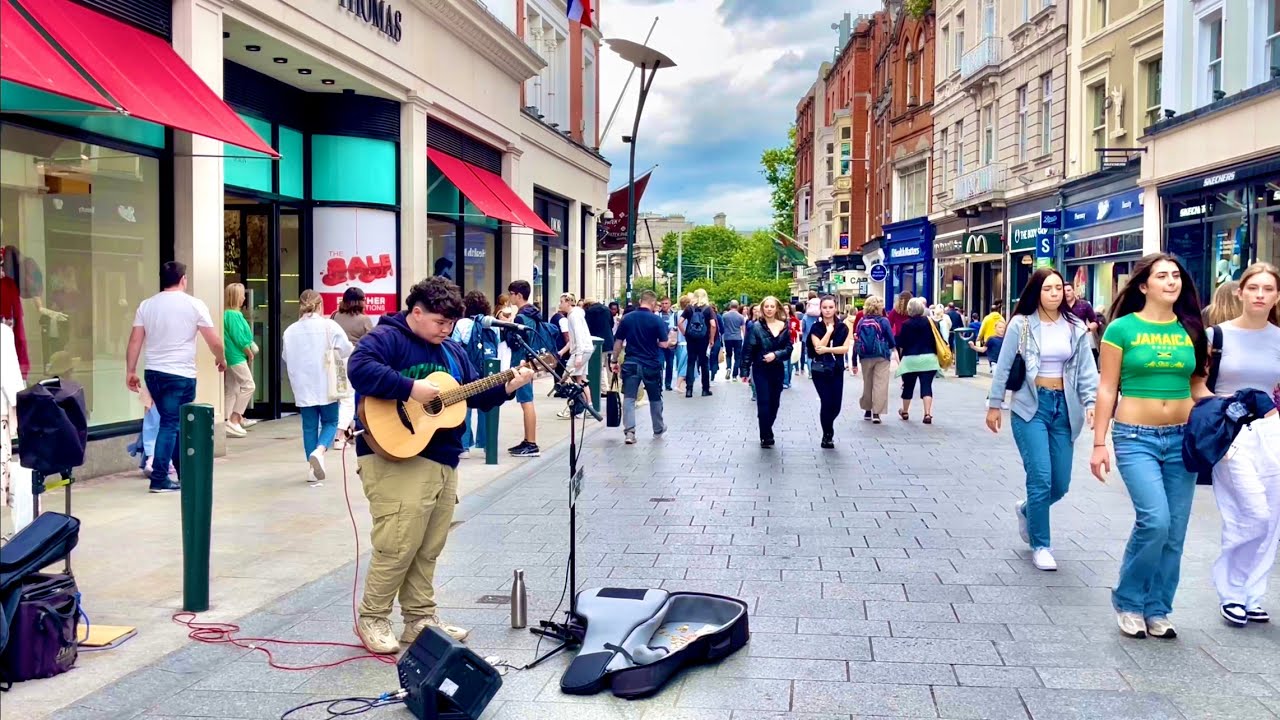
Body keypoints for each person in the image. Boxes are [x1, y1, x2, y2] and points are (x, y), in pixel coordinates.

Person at [347, 277, 535, 654]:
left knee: (428, 544)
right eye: (439, 322)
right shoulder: (388, 337)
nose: (445, 329)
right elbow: (359, 368)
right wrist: (409, 388)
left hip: (443, 456)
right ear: (415, 312)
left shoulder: (451, 350)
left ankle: (419, 618)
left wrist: (509, 386)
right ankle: (373, 616)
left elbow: (472, 395)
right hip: (395, 456)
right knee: (398, 542)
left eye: (450, 323)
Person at [1090, 253, 1209, 640]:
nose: (1171, 282)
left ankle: (1158, 608)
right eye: (1162, 276)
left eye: (1176, 276)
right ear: (1144, 285)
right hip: (1135, 436)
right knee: (1155, 520)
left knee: (1175, 530)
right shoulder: (1121, 329)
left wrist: (1225, 411)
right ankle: (1128, 600)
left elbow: (1197, 386)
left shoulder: (1191, 329)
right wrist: (1098, 443)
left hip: (1182, 439)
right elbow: (1107, 387)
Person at [987, 268, 1099, 572]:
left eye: (1058, 289)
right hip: (1029, 406)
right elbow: (1004, 365)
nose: (1055, 293)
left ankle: (1026, 510)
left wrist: (1091, 402)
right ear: (1036, 291)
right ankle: (1041, 545)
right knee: (1040, 477)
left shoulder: (1075, 326)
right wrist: (994, 404)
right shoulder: (1021, 326)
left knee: (1060, 484)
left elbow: (1086, 369)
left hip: (1065, 407)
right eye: (1048, 288)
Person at [1204, 263, 1280, 626]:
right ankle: (1231, 590)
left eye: (1268, 289)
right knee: (1252, 513)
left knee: (1272, 519)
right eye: (1254, 288)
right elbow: (1196, 386)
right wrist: (1226, 408)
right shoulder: (1214, 336)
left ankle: (1252, 595)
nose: (1260, 295)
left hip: (1271, 434)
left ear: (1277, 296)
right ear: (1240, 292)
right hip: (1229, 433)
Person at [126, 262, 225, 493]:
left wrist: (130, 371)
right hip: (180, 374)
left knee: (175, 423)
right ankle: (159, 477)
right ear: (183, 279)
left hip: (154, 374)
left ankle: (184, 474)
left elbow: (134, 341)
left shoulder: (147, 305)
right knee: (171, 424)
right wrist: (221, 358)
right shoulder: (194, 305)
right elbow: (214, 341)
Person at [281, 290, 353, 485]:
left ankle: (312, 469)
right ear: (320, 305)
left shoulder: (290, 331)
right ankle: (320, 451)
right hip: (326, 383)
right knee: (331, 421)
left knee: (309, 427)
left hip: (303, 385)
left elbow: (286, 356)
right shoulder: (329, 326)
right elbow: (346, 349)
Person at [611, 290, 670, 444]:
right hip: (651, 364)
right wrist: (656, 342)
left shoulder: (627, 319)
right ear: (652, 303)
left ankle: (630, 433)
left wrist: (614, 360)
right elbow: (664, 344)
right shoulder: (656, 321)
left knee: (629, 398)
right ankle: (658, 427)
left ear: (640, 301)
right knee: (655, 398)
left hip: (631, 363)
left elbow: (618, 341)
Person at [451, 291, 497, 457]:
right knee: (486, 402)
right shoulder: (492, 323)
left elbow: (454, 346)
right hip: (489, 368)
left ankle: (464, 445)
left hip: (468, 368)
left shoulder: (462, 323)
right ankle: (485, 443)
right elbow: (496, 346)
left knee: (466, 406)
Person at [744, 296, 792, 448]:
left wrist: (776, 355)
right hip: (760, 368)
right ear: (762, 309)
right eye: (767, 306)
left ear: (777, 308)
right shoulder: (755, 327)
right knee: (763, 402)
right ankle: (765, 435)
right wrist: (744, 370)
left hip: (777, 369)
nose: (769, 309)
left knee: (774, 403)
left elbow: (789, 349)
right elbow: (748, 349)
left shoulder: (784, 326)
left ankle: (768, 427)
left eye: (772, 306)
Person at [332, 287, 375, 446]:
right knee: (349, 399)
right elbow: (372, 342)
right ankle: (339, 436)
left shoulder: (334, 316)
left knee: (338, 397)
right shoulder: (364, 320)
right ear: (359, 301)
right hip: (354, 360)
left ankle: (348, 430)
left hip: (334, 360)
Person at [807, 295, 852, 448]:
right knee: (826, 402)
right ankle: (827, 434)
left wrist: (828, 349)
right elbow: (818, 349)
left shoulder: (843, 327)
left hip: (837, 369)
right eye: (824, 307)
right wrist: (828, 332)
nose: (827, 310)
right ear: (820, 309)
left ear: (835, 308)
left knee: (836, 405)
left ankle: (828, 423)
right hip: (820, 370)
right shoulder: (816, 327)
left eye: (830, 307)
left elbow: (845, 348)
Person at [506, 280, 541, 457]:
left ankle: (531, 443)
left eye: (511, 293)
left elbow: (514, 343)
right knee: (527, 401)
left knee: (526, 402)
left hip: (522, 363)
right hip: (531, 360)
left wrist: (508, 325)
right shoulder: (534, 314)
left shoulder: (521, 316)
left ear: (518, 295)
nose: (509, 297)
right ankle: (528, 440)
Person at [894, 297, 942, 424]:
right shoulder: (931, 322)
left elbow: (901, 343)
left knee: (908, 387)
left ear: (909, 309)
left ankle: (904, 411)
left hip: (910, 360)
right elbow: (939, 340)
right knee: (926, 386)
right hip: (929, 359)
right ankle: (927, 414)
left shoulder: (906, 324)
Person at [854, 295, 895, 424]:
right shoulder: (884, 321)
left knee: (868, 383)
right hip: (882, 355)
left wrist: (854, 360)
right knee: (880, 384)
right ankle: (876, 413)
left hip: (865, 356)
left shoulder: (861, 321)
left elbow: (857, 339)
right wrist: (893, 347)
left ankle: (867, 410)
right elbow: (890, 337)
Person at [222, 283, 256, 438]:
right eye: (241, 295)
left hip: (230, 355)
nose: (244, 297)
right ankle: (235, 419)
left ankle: (226, 419)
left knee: (232, 388)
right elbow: (239, 337)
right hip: (236, 356)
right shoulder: (234, 315)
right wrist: (248, 352)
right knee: (248, 385)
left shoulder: (227, 314)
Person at [556, 293, 595, 419]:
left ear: (568, 302)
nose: (560, 304)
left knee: (566, 377)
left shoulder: (573, 316)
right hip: (585, 349)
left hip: (581, 351)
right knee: (581, 380)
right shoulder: (575, 315)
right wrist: (563, 351)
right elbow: (574, 338)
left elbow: (577, 335)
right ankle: (589, 407)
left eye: (562, 301)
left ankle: (573, 408)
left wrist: (578, 355)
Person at [680, 289, 717, 398]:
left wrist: (685, 333)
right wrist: (711, 339)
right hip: (703, 338)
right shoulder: (708, 309)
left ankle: (689, 390)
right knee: (704, 362)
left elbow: (679, 322)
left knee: (691, 362)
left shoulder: (689, 308)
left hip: (691, 338)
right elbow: (713, 325)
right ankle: (705, 389)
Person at [1064, 283, 1103, 363]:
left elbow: (1095, 322)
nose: (1066, 293)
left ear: (1073, 291)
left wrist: (1086, 329)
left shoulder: (1084, 305)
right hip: (1065, 341)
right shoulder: (1059, 307)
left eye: (1068, 290)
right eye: (1064, 291)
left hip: (1082, 340)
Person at [657, 297, 679, 389]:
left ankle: (668, 384)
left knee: (670, 364)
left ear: (670, 304)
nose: (664, 305)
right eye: (662, 303)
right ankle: (659, 383)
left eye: (666, 303)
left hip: (671, 344)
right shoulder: (657, 315)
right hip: (660, 344)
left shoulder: (674, 315)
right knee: (660, 364)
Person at [721, 301, 746, 380]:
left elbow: (722, 326)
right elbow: (743, 329)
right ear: (737, 306)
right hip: (737, 338)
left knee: (728, 354)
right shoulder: (740, 317)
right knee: (737, 357)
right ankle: (734, 375)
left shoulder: (725, 316)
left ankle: (728, 367)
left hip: (727, 338)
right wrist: (745, 338)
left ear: (730, 306)